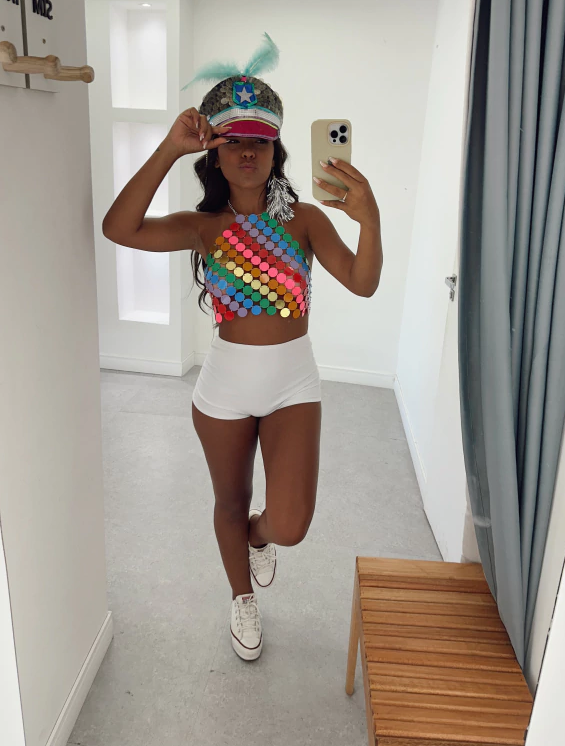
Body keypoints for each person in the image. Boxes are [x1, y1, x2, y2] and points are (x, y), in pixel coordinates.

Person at [102, 36, 382, 662]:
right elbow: (118, 227)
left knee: (291, 523)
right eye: (233, 140)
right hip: (224, 389)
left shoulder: (305, 219)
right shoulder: (203, 227)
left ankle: (258, 540)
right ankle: (241, 597)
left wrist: (370, 219)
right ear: (214, 151)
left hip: (293, 385)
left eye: (260, 140)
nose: (248, 152)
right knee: (229, 500)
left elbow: (363, 283)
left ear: (277, 148)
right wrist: (169, 148)